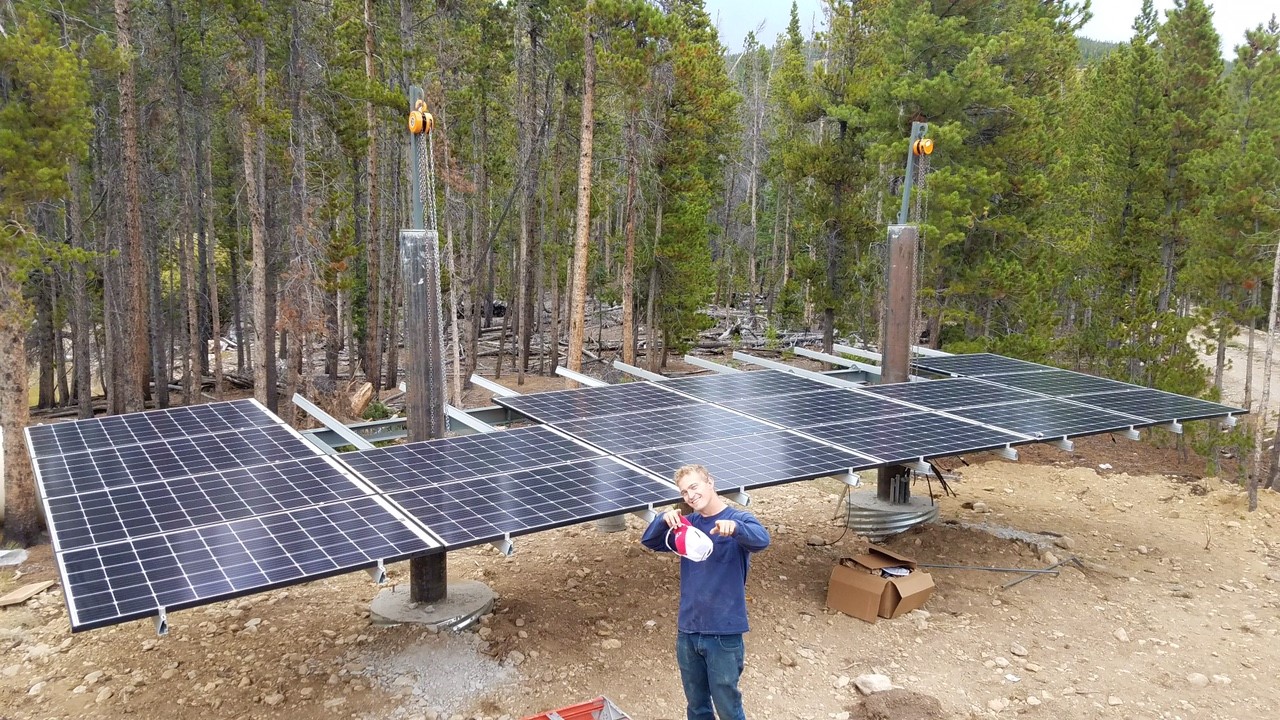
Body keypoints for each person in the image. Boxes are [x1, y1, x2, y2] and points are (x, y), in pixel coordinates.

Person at [640, 464, 771, 720]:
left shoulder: (739, 519)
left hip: (724, 632)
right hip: (688, 631)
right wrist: (662, 520)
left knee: (727, 707)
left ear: (710, 482)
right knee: (697, 706)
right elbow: (651, 541)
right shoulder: (687, 525)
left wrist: (735, 529)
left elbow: (762, 540)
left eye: (694, 486)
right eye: (684, 491)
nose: (690, 495)